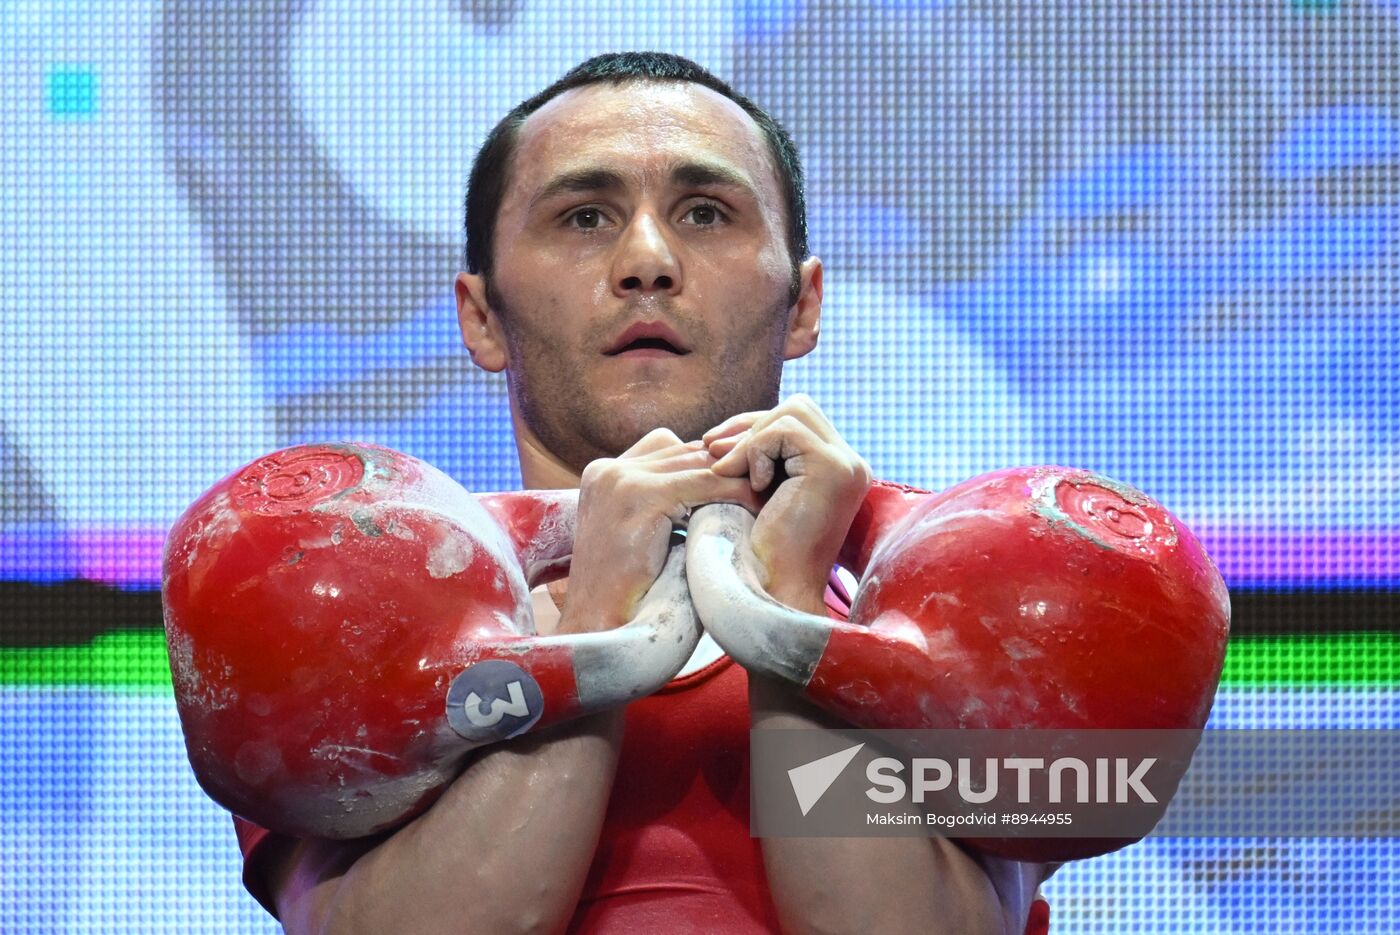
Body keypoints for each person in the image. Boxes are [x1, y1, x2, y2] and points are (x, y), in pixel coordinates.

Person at [231, 52, 1054, 934]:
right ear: (480, 316)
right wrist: (597, 629)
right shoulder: (353, 604)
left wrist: (789, 618)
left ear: (805, 302)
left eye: (706, 213)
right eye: (585, 217)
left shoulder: (968, 609)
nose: (648, 260)